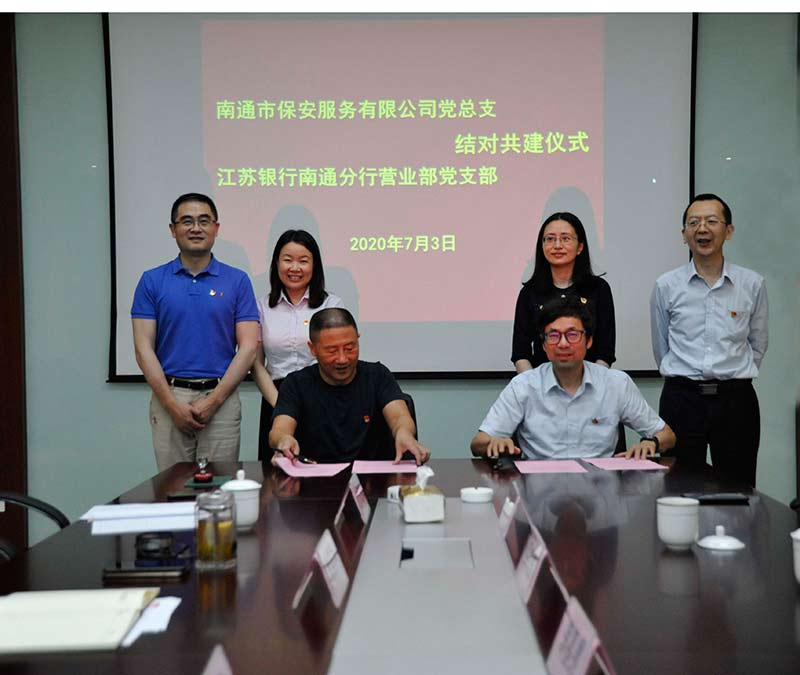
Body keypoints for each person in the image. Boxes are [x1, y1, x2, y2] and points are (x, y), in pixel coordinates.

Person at [131, 193, 260, 471]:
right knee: (172, 487)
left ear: (216, 228)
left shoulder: (237, 280)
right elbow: (143, 349)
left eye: (204, 221)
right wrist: (171, 405)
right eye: (187, 221)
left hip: (221, 398)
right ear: (173, 229)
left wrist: (214, 401)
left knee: (220, 487)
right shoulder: (152, 281)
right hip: (169, 397)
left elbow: (249, 347)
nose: (196, 228)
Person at [650, 193, 768, 486]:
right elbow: (661, 347)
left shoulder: (752, 284)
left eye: (711, 221)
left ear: (729, 231)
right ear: (684, 235)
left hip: (736, 402)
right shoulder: (666, 285)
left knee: (739, 488)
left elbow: (758, 343)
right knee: (679, 488)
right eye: (694, 223)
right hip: (682, 400)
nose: (702, 229)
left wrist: (732, 376)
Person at [472, 296, 675, 460]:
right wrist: (494, 443)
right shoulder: (523, 386)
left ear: (589, 340)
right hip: (539, 489)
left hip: (600, 489)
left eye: (572, 334)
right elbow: (478, 443)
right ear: (543, 345)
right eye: (553, 335)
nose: (563, 344)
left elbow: (667, 435)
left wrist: (652, 443)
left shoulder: (616, 383)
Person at [269, 308, 430, 465]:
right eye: (332, 351)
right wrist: (284, 440)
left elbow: (399, 416)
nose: (343, 359)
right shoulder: (296, 384)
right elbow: (280, 429)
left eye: (349, 348)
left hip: (373, 478)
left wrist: (403, 432)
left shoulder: (377, 375)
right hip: (313, 477)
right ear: (313, 349)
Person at [251, 229, 343, 461]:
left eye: (303, 261)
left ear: (315, 265)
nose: (295, 268)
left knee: (324, 468)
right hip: (275, 396)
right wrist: (281, 405)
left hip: (322, 398)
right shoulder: (261, 307)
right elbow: (256, 363)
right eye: (287, 260)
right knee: (278, 473)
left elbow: (337, 356)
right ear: (276, 263)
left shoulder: (331, 304)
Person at [512, 212, 616, 373]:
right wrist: (534, 385)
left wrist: (592, 383)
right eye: (550, 239)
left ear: (580, 246)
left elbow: (605, 351)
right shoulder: (529, 293)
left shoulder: (599, 289)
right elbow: (520, 354)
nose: (557, 245)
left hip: (591, 382)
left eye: (565, 238)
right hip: (540, 384)